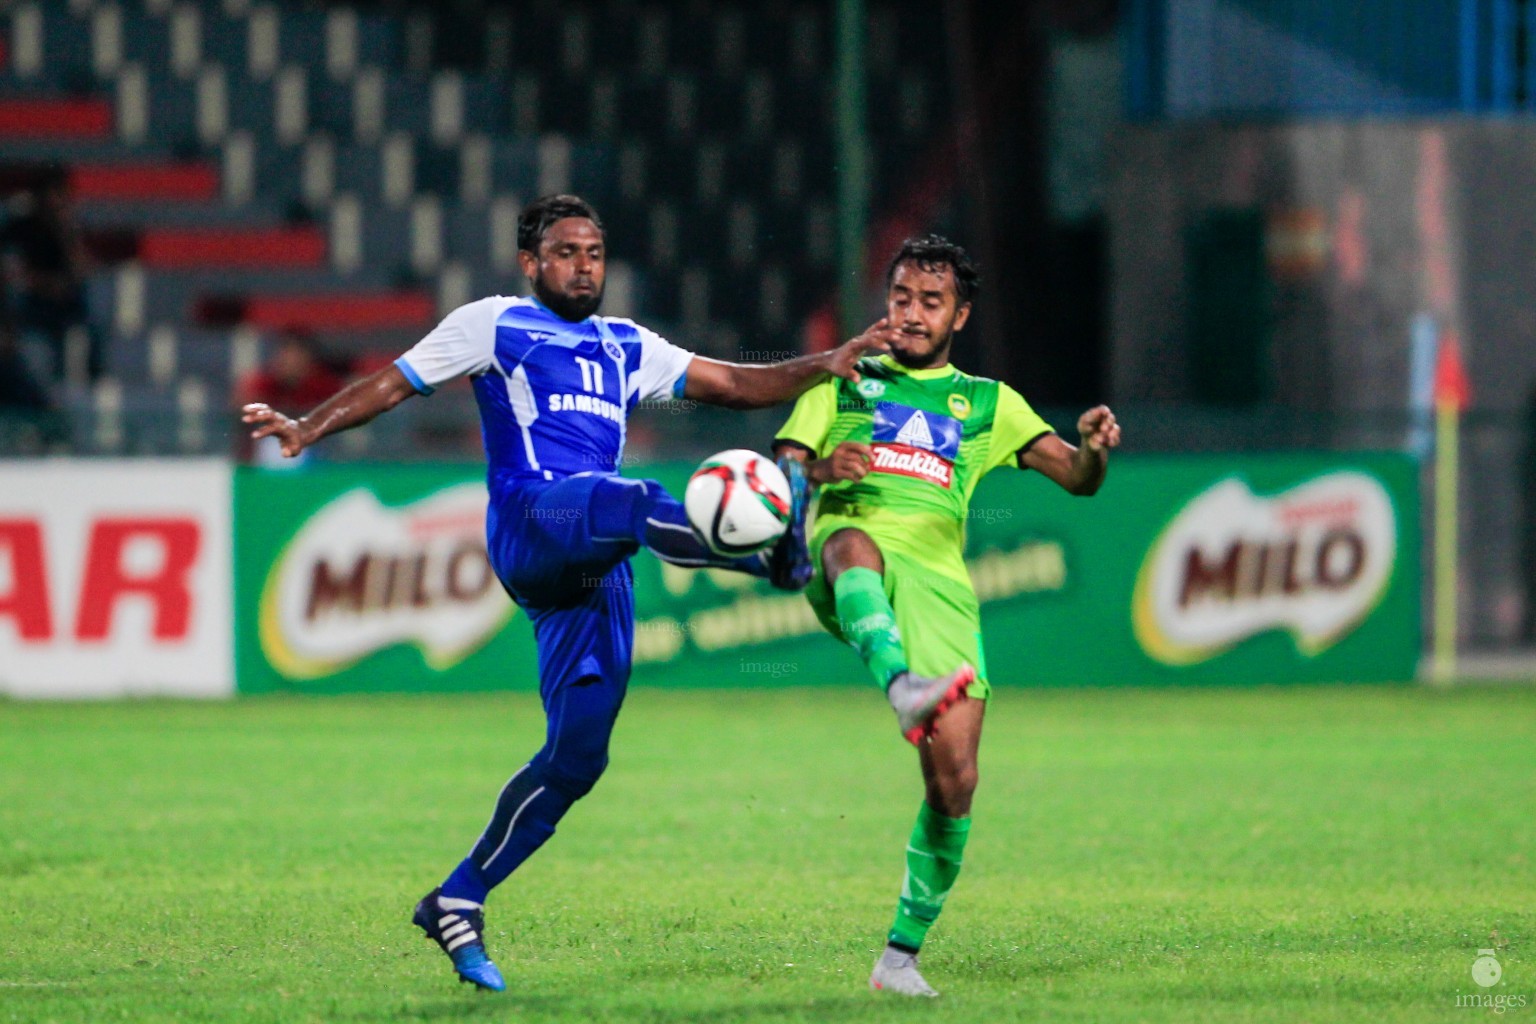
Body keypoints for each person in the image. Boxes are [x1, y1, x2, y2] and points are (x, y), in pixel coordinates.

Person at [241, 194, 946, 992]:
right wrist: (307, 427)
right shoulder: (494, 324)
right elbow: (394, 384)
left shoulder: (624, 345)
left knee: (578, 756)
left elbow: (731, 384)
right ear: (530, 263)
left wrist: (821, 363)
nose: (584, 265)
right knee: (639, 495)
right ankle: (778, 563)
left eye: (595, 253)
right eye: (566, 251)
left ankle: (458, 897)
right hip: (535, 518)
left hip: (593, 564)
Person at [772, 235, 1121, 998]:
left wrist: (1093, 449)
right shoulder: (846, 375)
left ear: (959, 314)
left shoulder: (990, 402)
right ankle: (901, 684)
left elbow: (1077, 479)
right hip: (850, 546)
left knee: (955, 782)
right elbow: (781, 470)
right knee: (853, 541)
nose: (911, 314)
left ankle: (899, 959)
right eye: (900, 297)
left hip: (938, 581)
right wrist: (824, 469)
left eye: (931, 302)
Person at [1, 167, 101, 382]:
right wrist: (46, 284)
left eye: (62, 194)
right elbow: (12, 272)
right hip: (30, 303)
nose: (56, 201)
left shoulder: (71, 229)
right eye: (52, 194)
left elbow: (81, 272)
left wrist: (67, 233)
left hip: (66, 305)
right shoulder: (19, 228)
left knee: (93, 325)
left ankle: (91, 383)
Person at [232, 328, 346, 464]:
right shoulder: (264, 383)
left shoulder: (323, 385)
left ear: (308, 360)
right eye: (286, 356)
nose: (290, 363)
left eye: (296, 357)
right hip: (268, 448)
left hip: (317, 448)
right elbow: (242, 406)